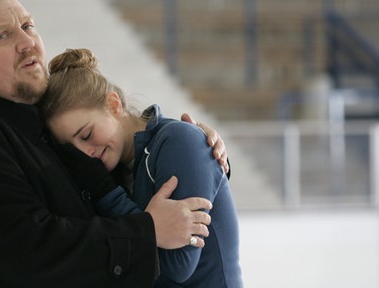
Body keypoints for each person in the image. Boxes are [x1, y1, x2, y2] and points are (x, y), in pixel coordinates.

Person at [0, 1, 230, 287]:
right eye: (3, 36)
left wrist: (197, 152)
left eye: (28, 26)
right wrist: (146, 231)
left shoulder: (35, 120)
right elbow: (32, 254)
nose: (27, 43)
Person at [38, 48, 242, 288]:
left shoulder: (178, 141)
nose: (86, 154)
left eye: (86, 134)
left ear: (113, 105)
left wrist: (107, 194)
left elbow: (178, 265)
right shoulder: (117, 168)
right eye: (72, 150)